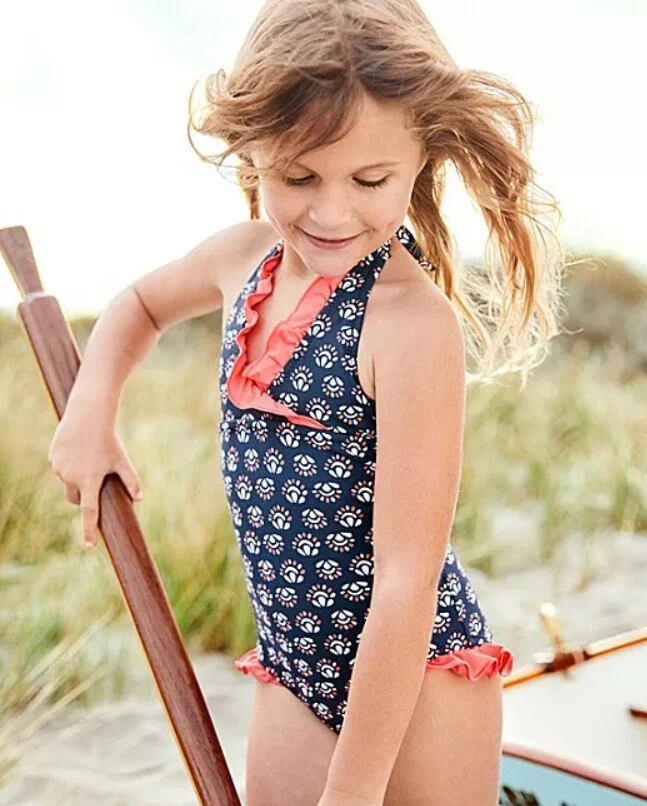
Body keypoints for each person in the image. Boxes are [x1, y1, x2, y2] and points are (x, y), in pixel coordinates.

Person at [48, 0, 565, 804]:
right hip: (292, 668)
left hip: (415, 678)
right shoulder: (241, 257)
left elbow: (405, 581)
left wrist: (350, 794)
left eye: (369, 180)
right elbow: (138, 306)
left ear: (420, 156)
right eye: (297, 177)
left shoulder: (408, 324)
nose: (330, 212)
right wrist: (92, 412)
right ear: (252, 150)